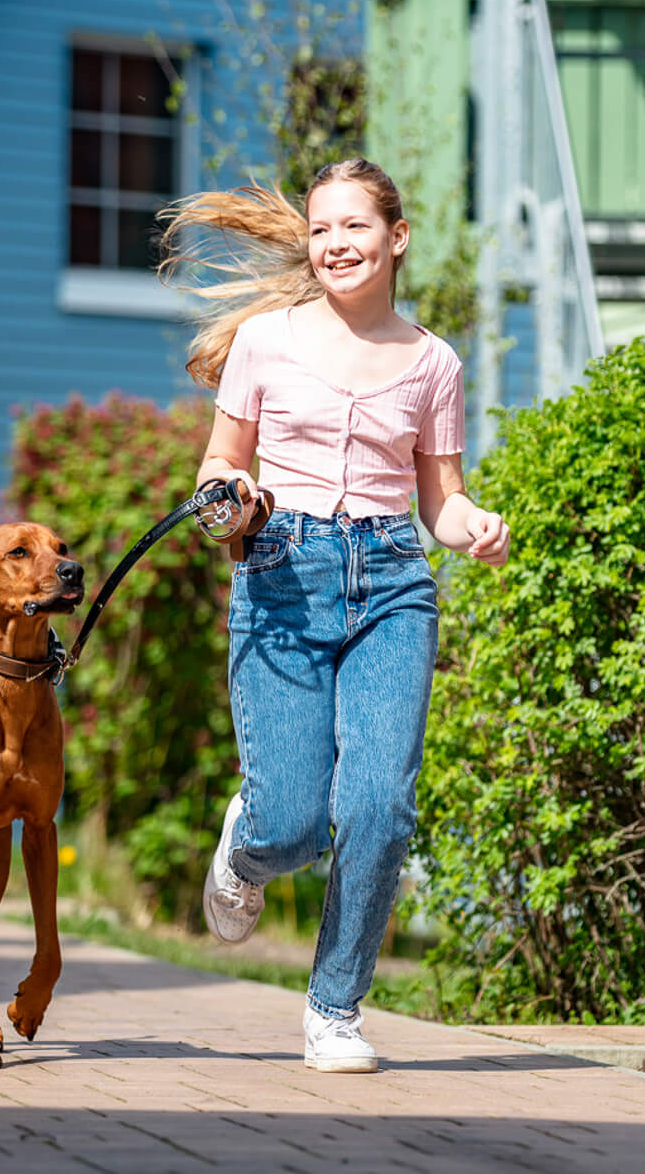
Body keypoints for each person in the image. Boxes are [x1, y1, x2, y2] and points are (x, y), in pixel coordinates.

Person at [166, 158, 511, 1073]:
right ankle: (248, 842)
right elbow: (220, 462)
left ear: (396, 238)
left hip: (393, 580)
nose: (334, 245)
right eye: (321, 229)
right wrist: (227, 500)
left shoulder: (434, 361)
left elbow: (440, 498)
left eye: (354, 227)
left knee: (379, 805)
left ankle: (335, 1009)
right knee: (291, 823)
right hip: (282, 573)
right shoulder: (267, 343)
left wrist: (470, 525)